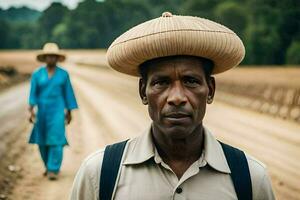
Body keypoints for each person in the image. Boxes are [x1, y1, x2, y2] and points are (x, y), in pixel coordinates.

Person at [70, 12, 275, 199]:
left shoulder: (251, 179)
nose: (177, 97)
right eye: (161, 82)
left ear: (210, 90)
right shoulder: (99, 174)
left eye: (191, 81)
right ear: (143, 92)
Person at [29, 42, 78, 180]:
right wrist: (31, 109)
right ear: (44, 58)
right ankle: (47, 165)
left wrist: (69, 111)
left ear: (57, 58)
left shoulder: (64, 74)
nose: (51, 59)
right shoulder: (37, 74)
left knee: (56, 139)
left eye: (53, 56)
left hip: (57, 111)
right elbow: (33, 93)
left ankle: (53, 169)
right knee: (41, 140)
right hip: (42, 111)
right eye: (48, 56)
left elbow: (68, 93)